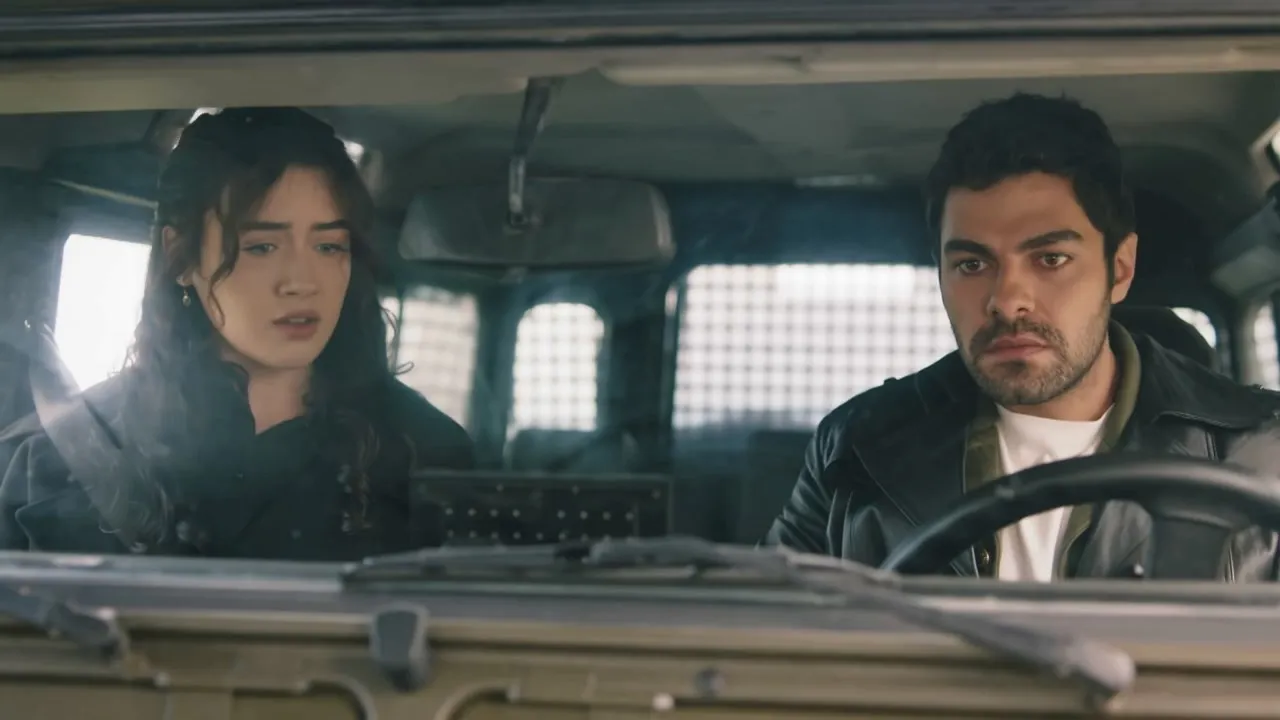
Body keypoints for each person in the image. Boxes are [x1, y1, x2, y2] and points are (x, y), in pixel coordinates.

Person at [764, 92, 1280, 581]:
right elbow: (773, 624)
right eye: (972, 264)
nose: (1007, 301)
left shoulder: (1262, 450)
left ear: (1119, 269)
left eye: (1050, 259)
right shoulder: (854, 449)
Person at [0, 107, 475, 560]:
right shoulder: (59, 456)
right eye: (262, 247)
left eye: (330, 246)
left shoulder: (426, 456)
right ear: (181, 255)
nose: (302, 282)